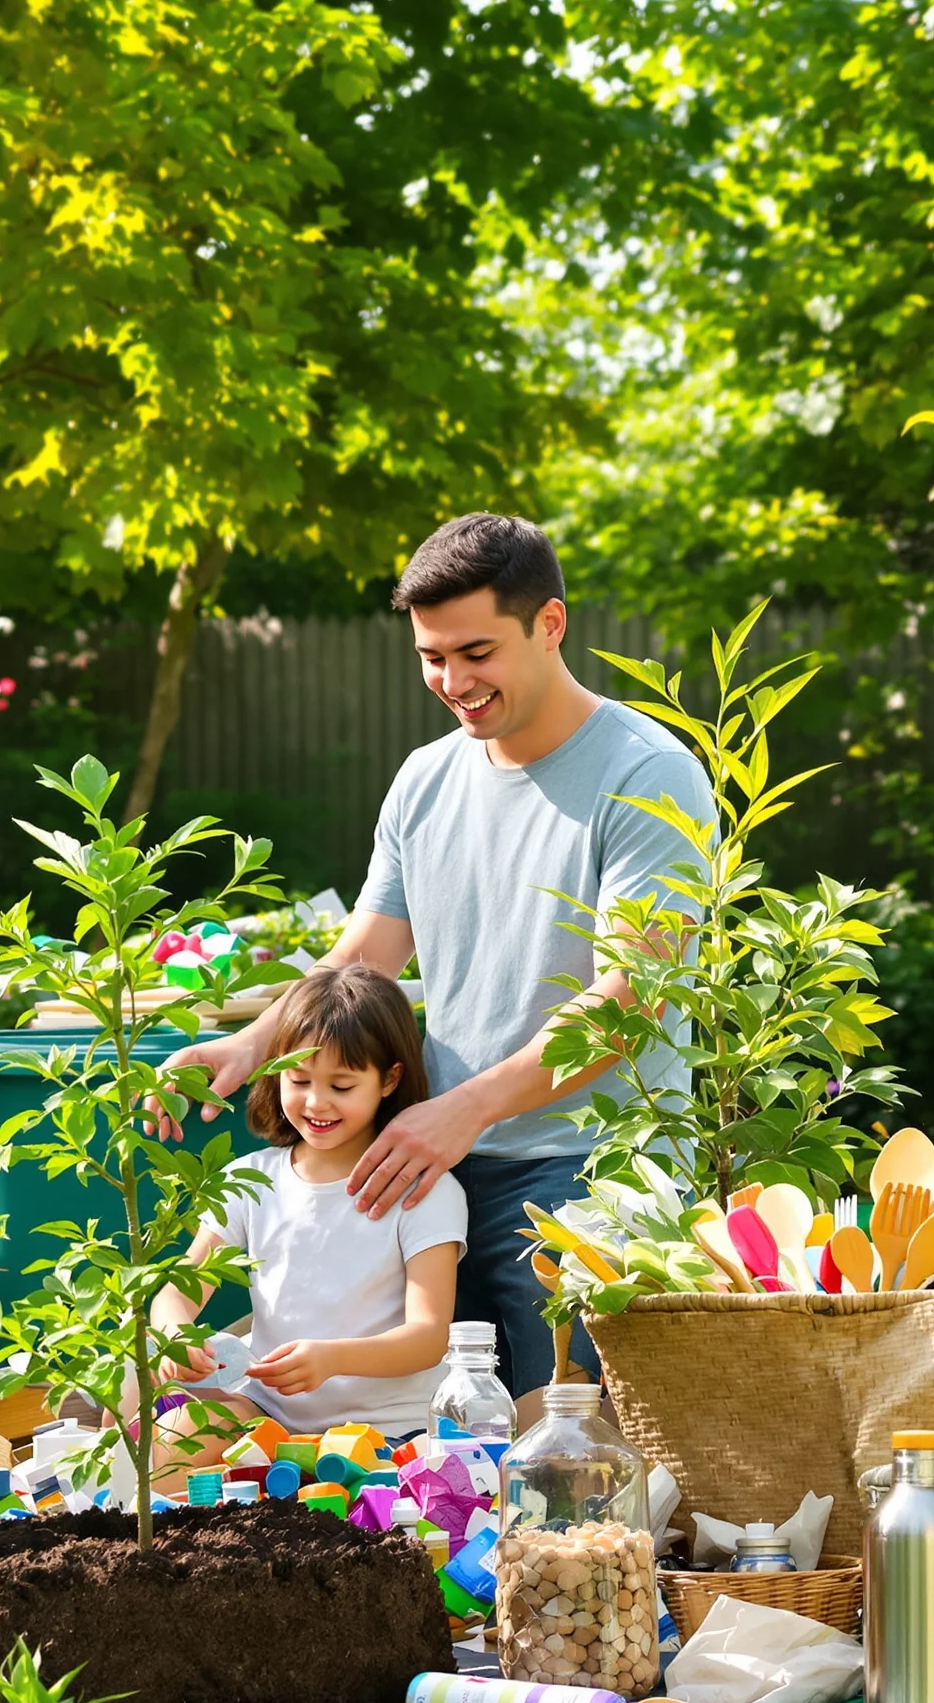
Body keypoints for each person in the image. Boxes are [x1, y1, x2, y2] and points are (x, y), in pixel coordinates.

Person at [166, 514, 715, 1406]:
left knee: (569, 1440)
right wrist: (255, 1043)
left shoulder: (649, 774)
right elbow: (367, 956)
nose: (454, 683)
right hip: (439, 1161)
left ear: (550, 624)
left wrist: (463, 1110)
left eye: (476, 652)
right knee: (444, 1440)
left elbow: (630, 1001)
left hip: (592, 1167)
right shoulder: (426, 779)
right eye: (431, 657)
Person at [152, 965, 465, 1441]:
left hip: (389, 1432)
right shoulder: (250, 1180)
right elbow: (177, 1292)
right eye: (298, 1081)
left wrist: (332, 1359)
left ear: (389, 1079)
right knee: (168, 1425)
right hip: (267, 1415)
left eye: (341, 1086)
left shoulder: (423, 1190)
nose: (317, 1103)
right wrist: (176, 1334)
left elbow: (428, 1336)